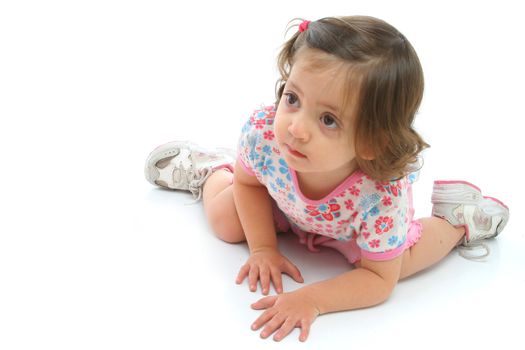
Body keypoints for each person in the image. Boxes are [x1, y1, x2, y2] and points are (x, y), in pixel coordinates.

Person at [144, 16, 509, 342]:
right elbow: (251, 185)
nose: (296, 128)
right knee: (226, 222)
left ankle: (457, 220)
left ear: (371, 141)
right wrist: (263, 249)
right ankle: (209, 170)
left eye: (328, 120)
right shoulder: (266, 137)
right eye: (293, 99)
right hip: (282, 203)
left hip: (348, 227)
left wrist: (311, 299)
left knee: (400, 263)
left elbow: (379, 283)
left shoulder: (379, 196)